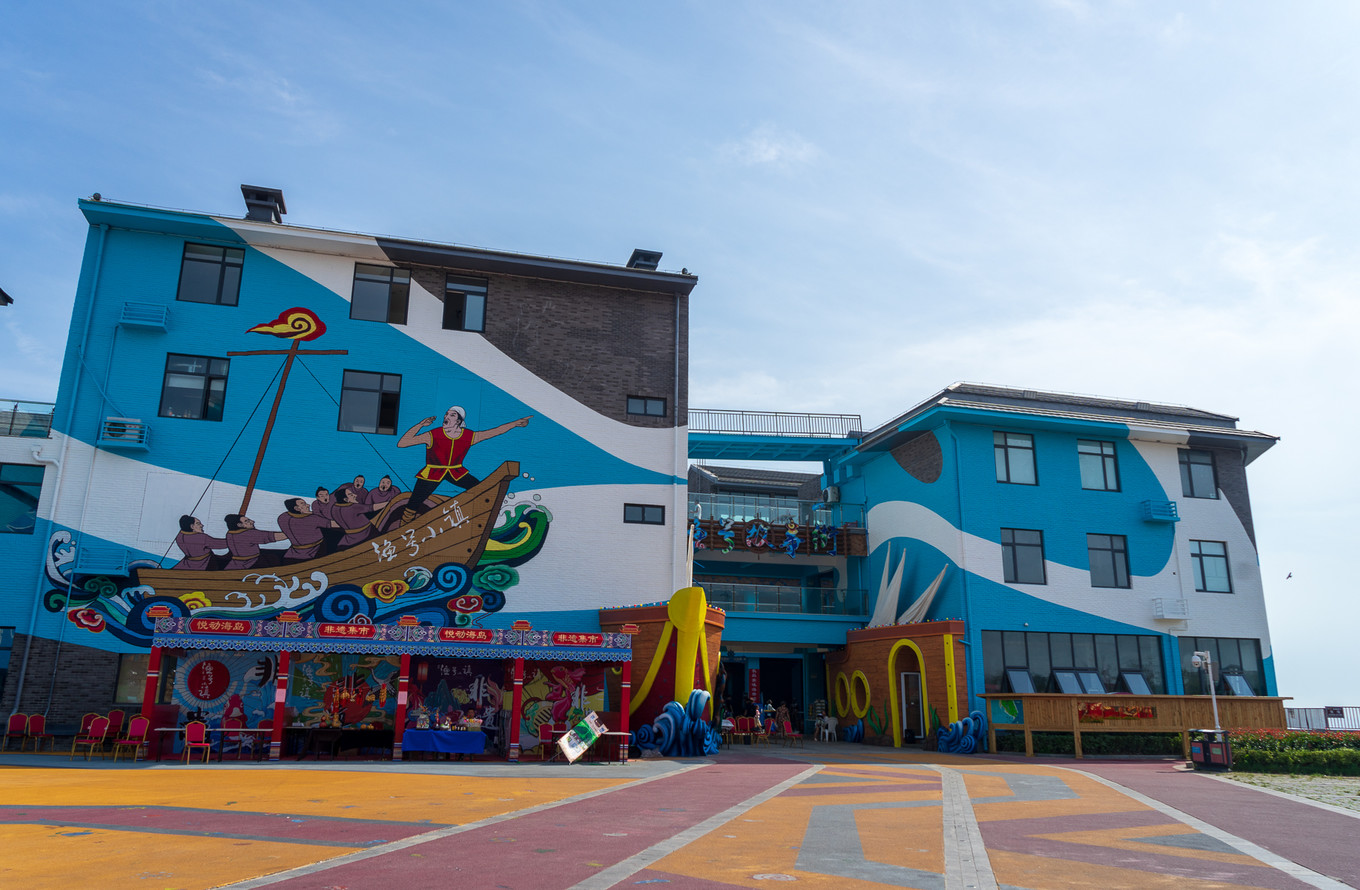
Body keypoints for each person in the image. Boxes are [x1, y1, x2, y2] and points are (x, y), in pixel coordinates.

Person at [397, 406, 531, 521]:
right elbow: (402, 443)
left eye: (452, 415)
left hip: (456, 472)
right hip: (433, 472)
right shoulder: (432, 434)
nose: (446, 416)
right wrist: (420, 425)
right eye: (446, 414)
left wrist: (515, 424)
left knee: (481, 490)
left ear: (459, 421)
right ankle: (405, 525)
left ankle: (477, 518)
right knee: (414, 503)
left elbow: (494, 431)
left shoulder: (468, 436)